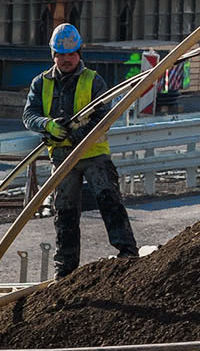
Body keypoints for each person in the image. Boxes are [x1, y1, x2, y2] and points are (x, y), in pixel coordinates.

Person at [20, 23, 139, 279]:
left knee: (109, 201)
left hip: (93, 155)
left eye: (71, 54)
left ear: (79, 53)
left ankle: (128, 253)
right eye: (61, 55)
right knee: (65, 213)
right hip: (62, 158)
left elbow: (103, 116)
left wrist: (78, 135)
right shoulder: (41, 83)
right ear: (53, 55)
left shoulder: (93, 81)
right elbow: (29, 115)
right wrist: (47, 124)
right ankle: (65, 270)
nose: (67, 59)